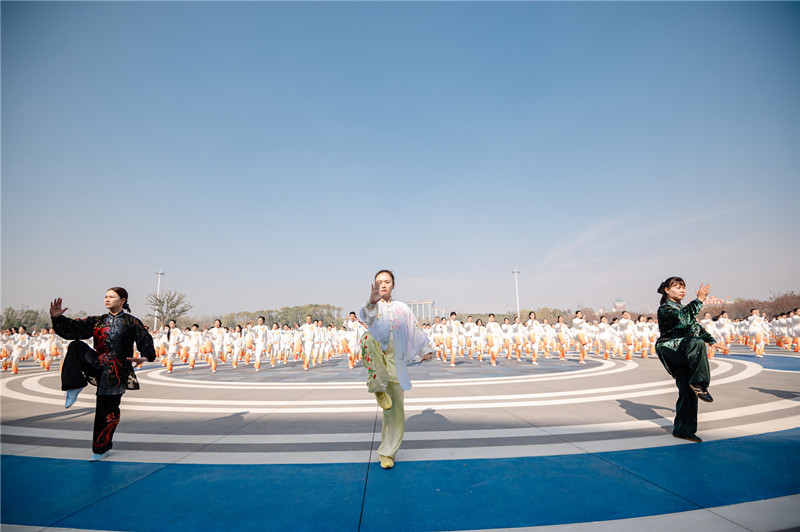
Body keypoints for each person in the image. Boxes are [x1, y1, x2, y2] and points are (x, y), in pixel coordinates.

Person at [50, 287, 155, 461]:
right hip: (97, 362)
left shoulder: (131, 322)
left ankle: (102, 448)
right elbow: (73, 329)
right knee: (76, 346)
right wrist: (57, 318)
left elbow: (145, 340)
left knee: (106, 409)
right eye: (106, 296)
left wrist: (143, 357)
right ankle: (74, 386)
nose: (107, 299)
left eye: (111, 297)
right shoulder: (97, 321)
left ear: (122, 300)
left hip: (116, 371)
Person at [358, 270, 434, 469]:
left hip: (396, 360)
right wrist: (372, 302)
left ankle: (387, 452)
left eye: (387, 282)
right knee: (367, 337)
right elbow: (365, 316)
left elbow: (414, 329)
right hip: (378, 357)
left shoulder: (403, 308)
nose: (383, 285)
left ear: (393, 285)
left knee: (395, 411)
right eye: (379, 282)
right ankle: (378, 386)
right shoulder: (371, 306)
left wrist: (425, 349)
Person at [655, 277, 725, 443]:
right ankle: (700, 383)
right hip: (670, 348)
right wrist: (699, 300)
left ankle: (684, 430)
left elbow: (695, 326)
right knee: (697, 343)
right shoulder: (665, 309)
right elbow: (684, 319)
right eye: (677, 287)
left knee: (687, 391)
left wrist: (712, 341)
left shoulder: (683, 309)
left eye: (683, 287)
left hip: (685, 350)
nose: (682, 290)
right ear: (667, 290)